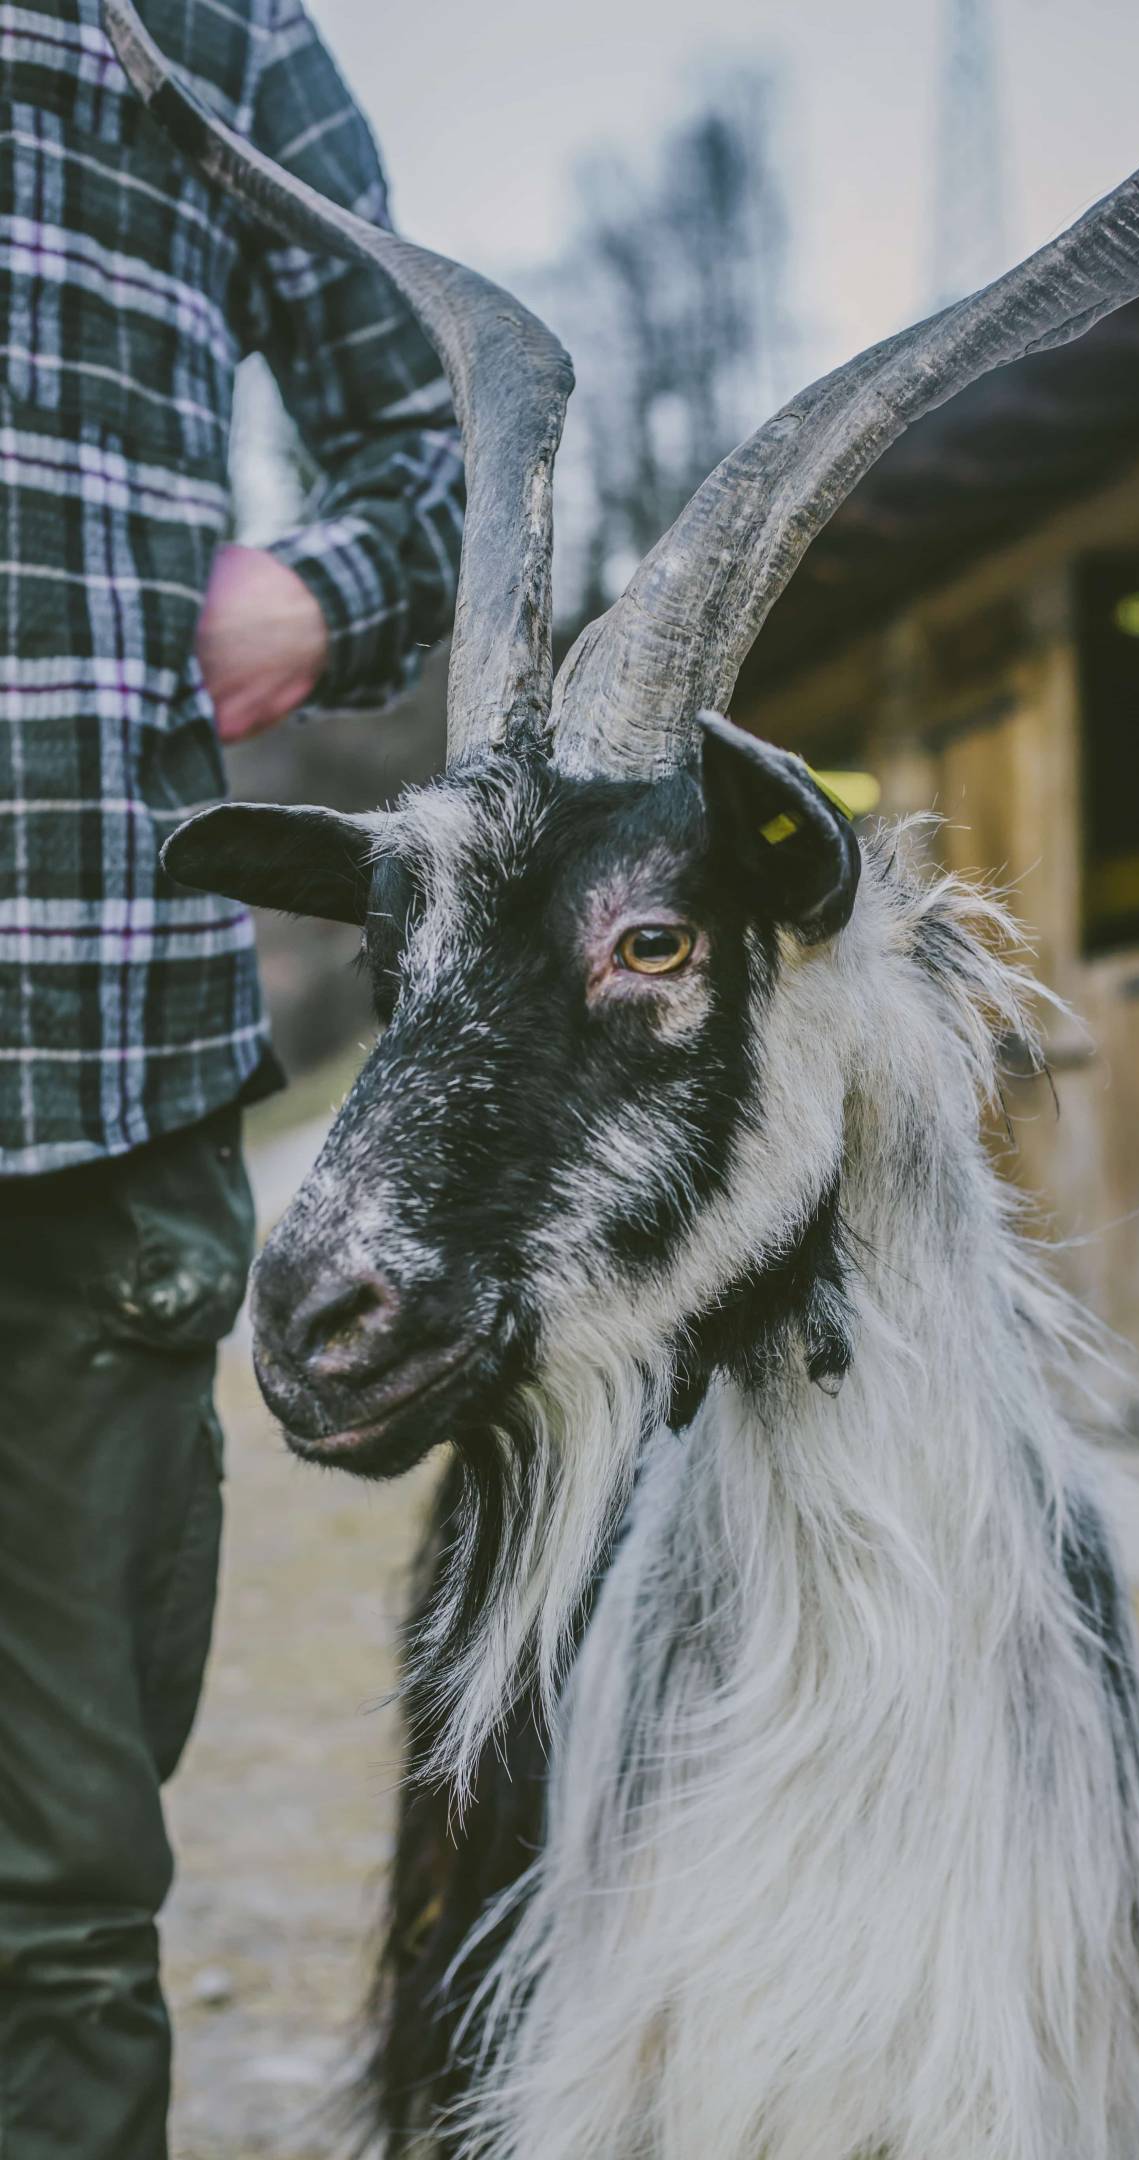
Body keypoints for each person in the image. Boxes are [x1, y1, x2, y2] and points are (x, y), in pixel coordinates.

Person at [0, 4, 465, 2153]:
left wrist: (322, 585)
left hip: (83, 1077)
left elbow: (441, 411)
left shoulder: (200, 19)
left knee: (54, 1907)